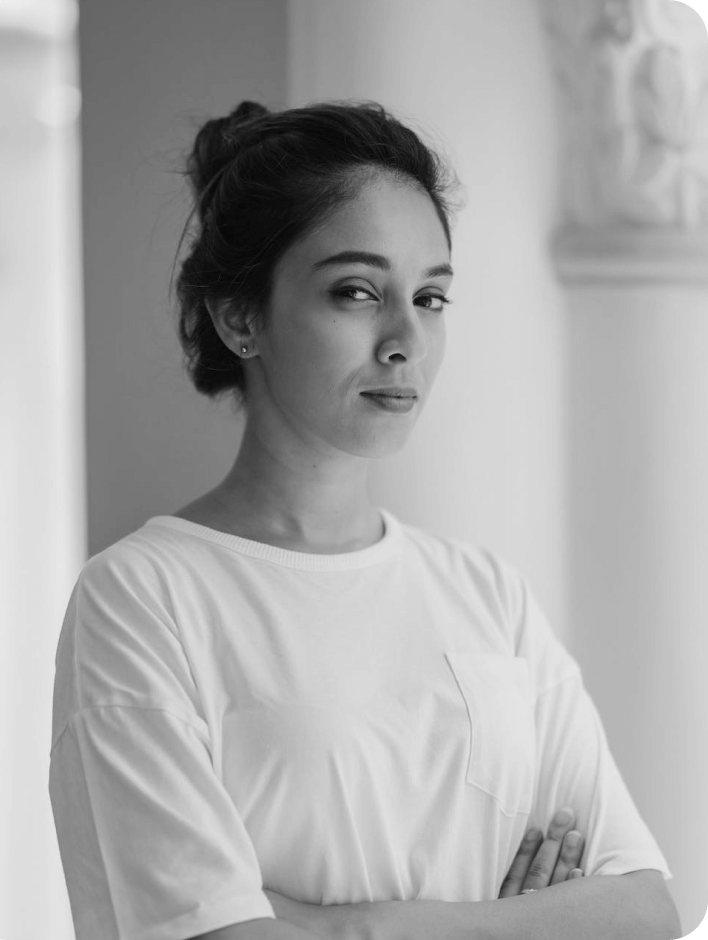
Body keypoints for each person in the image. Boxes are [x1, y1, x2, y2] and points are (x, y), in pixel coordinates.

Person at [48, 100, 680, 940]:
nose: (405, 338)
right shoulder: (141, 598)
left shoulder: (487, 593)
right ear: (239, 316)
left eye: (431, 297)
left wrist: (353, 927)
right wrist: (514, 922)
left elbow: (646, 912)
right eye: (356, 292)